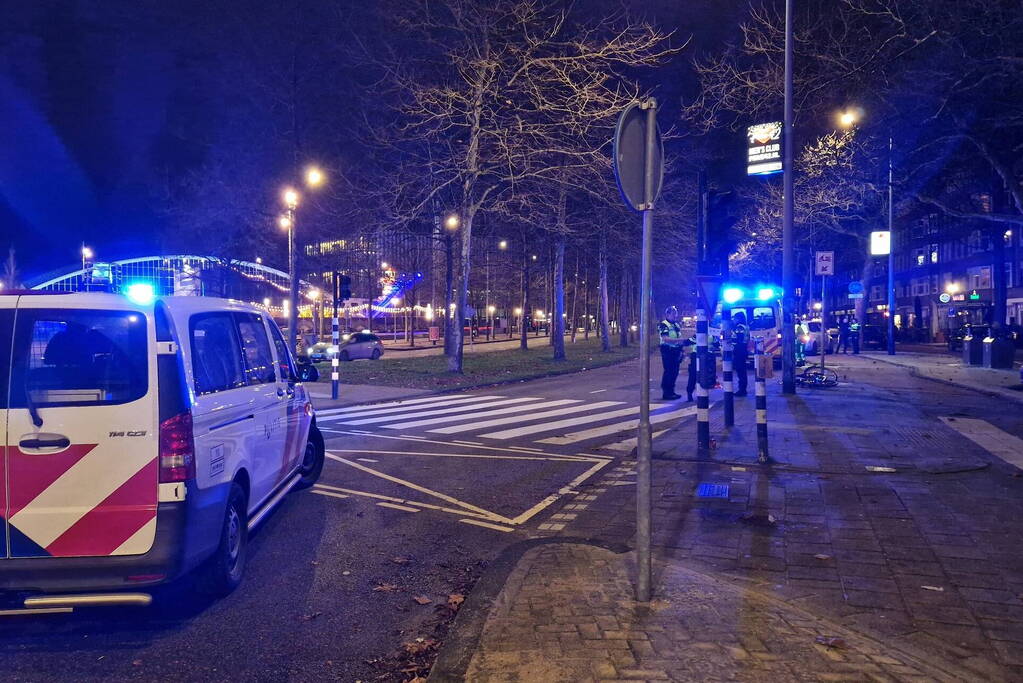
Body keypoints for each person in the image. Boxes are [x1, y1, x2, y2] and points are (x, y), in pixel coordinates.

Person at [657, 306, 685, 400]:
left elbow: (679, 336)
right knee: (669, 371)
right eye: (673, 314)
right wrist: (678, 340)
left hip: (676, 351)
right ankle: (667, 392)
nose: (675, 316)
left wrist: (682, 350)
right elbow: (665, 339)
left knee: (675, 372)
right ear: (667, 314)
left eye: (675, 314)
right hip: (667, 350)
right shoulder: (663, 324)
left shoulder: (676, 325)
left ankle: (671, 391)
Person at [731, 311, 749, 396]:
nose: (733, 320)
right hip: (743, 349)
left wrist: (730, 341)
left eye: (734, 318)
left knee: (740, 371)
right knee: (742, 371)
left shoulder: (740, 327)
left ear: (738, 319)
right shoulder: (745, 326)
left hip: (739, 350)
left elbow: (739, 339)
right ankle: (742, 389)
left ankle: (742, 390)